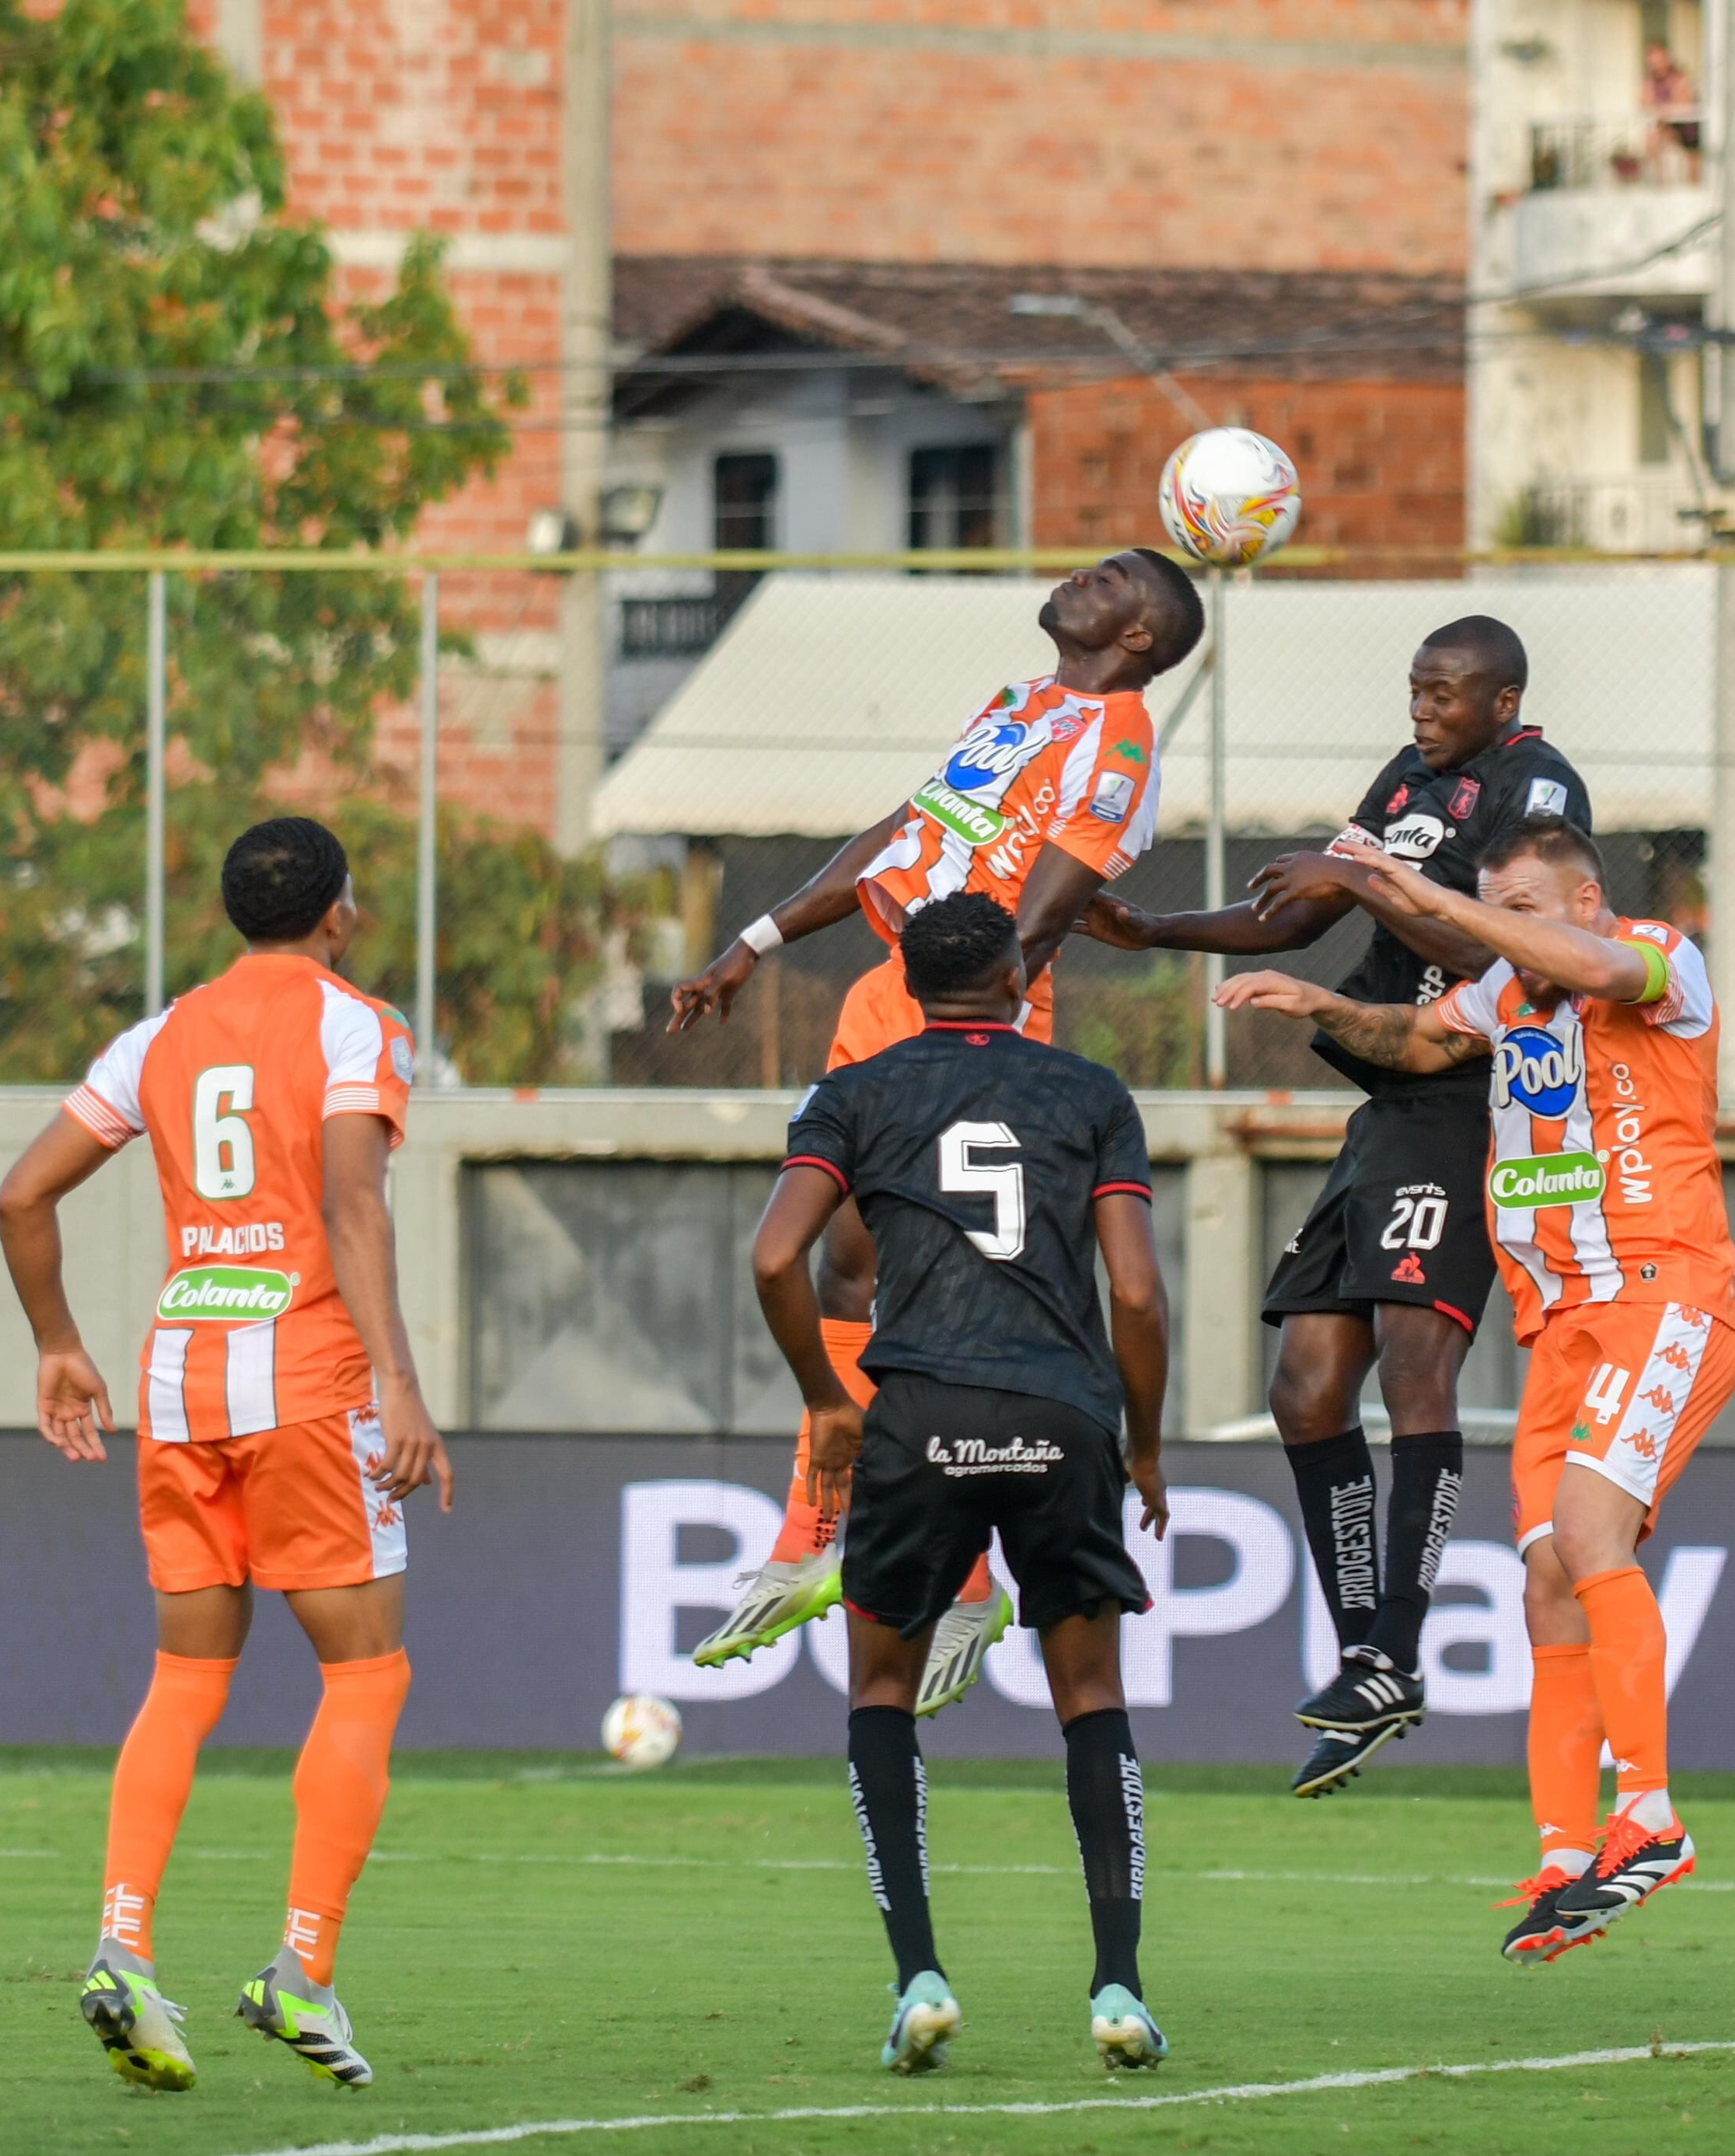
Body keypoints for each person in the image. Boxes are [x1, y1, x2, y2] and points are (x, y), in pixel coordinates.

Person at [667, 549, 1202, 1715]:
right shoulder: (1017, 706)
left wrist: (973, 1000)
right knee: (844, 1263)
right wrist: (753, 943)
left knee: (925, 1285)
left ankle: (928, 1564)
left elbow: (1051, 906)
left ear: (1142, 637)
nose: (1079, 575)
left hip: (970, 1007)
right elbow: (901, 833)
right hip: (886, 991)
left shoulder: (1118, 735)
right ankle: (863, 1545)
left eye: (1110, 576)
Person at [1213, 818, 1735, 1962]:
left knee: (1593, 1536)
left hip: (1664, 1293)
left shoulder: (1658, 955)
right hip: (1560, 1320)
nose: (1507, 925)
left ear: (1589, 896)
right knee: (1547, 1577)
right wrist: (1319, 1007)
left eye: (1527, 905)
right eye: (1495, 903)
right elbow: (1412, 1040)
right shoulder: (1511, 991)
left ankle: (1649, 1814)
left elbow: (1596, 967)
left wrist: (1425, 896)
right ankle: (1566, 1851)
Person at [1084, 616, 1590, 1798]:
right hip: (1386, 1110)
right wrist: (1152, 928)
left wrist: (1362, 878)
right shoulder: (1411, 780)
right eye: (1414, 689)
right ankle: (1369, 1648)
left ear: (1504, 700)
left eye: (1446, 693)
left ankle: (1394, 1646)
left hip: (1470, 1101)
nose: (1422, 710)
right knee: (1306, 1389)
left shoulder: (1533, 786)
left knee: (1417, 1367)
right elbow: (1303, 910)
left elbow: (1496, 950)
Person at [0, 816, 450, 2092]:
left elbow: (20, 1195)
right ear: (340, 911)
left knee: (186, 1675)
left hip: (181, 1379)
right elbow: (353, 1201)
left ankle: (122, 1944)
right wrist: (401, 1382)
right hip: (308, 1384)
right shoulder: (356, 1024)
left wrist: (55, 1343)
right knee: (365, 1671)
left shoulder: (161, 1034)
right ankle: (302, 1968)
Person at [754, 893, 1176, 2074]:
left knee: (882, 1685)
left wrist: (828, 1399)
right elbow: (1137, 1294)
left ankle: (920, 1977)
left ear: (908, 976)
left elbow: (777, 1253)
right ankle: (1120, 1988)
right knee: (1089, 1691)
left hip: (918, 1414)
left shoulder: (857, 1093)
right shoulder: (1090, 1094)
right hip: (1061, 1413)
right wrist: (1144, 1445)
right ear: (1014, 976)